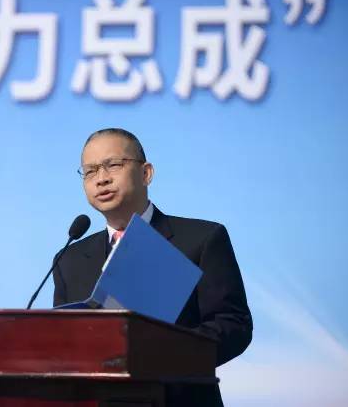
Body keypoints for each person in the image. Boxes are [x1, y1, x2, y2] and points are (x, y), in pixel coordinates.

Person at [52, 128, 253, 407]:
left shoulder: (201, 239)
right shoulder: (69, 259)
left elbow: (233, 325)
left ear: (146, 173)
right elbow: (63, 343)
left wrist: (161, 353)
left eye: (113, 165)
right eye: (90, 171)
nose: (102, 178)